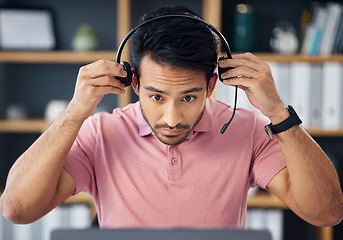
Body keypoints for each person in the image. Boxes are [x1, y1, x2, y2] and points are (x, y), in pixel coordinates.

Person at [0, 6, 342, 229]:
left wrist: (278, 112)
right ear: (133, 82)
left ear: (211, 86)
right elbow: (17, 209)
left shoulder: (246, 129)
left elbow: (326, 212)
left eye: (189, 97)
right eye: (156, 96)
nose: (172, 117)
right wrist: (75, 112)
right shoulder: (101, 133)